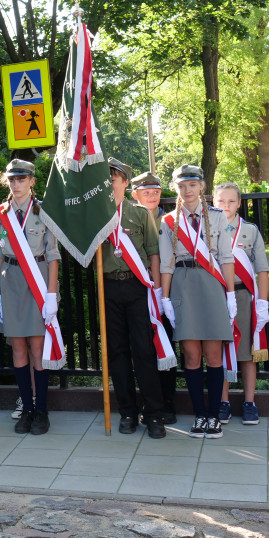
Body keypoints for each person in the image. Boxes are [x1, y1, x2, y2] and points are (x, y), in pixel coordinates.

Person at [159, 164, 237, 439]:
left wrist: (229, 294)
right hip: (182, 284)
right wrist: (165, 298)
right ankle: (200, 415)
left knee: (213, 356)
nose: (187, 190)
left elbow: (226, 257)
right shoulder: (168, 221)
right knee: (192, 356)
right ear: (176, 188)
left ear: (202, 186)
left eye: (192, 184)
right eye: (181, 185)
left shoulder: (216, 217)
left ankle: (214, 415)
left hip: (211, 284)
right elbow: (166, 264)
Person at [0, 159, 60, 435]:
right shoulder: (0, 213)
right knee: (17, 348)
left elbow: (53, 254)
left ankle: (41, 410)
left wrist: (52, 294)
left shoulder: (45, 210)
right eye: (12, 180)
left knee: (37, 348)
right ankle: (27, 410)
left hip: (38, 280)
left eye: (21, 179)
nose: (16, 184)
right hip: (11, 283)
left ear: (32, 181)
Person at [99, 159, 167, 439]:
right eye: (106, 180)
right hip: (109, 289)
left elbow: (153, 253)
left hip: (137, 287)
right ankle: (127, 412)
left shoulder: (140, 214)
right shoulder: (96, 216)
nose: (109, 184)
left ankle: (153, 414)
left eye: (114, 179)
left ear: (125, 184)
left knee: (144, 352)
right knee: (117, 354)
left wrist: (159, 292)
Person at [213, 182, 269, 425]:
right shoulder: (206, 229)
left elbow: (262, 269)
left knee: (247, 352)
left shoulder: (250, 231)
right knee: (219, 350)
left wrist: (263, 303)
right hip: (216, 295)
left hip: (244, 295)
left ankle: (249, 402)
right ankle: (223, 401)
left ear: (239, 203)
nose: (226, 206)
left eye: (231, 201)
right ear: (213, 203)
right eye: (221, 201)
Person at [130, 170, 177, 423]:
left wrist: (162, 294)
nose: (152, 197)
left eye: (156, 192)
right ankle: (147, 402)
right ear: (134, 194)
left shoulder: (169, 221)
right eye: (146, 192)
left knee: (166, 346)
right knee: (141, 351)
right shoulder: (127, 218)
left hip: (164, 294)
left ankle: (167, 404)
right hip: (137, 293)